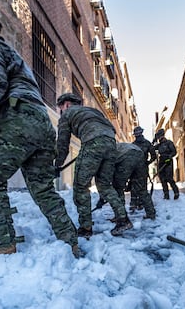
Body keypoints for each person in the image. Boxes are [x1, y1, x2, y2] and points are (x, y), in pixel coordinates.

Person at [0, 22, 79, 257]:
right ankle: (70, 240)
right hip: (42, 123)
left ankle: (3, 243)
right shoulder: (11, 53)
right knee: (43, 189)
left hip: (17, 118)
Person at [55, 93, 133, 238]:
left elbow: (62, 144)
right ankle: (123, 220)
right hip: (111, 144)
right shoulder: (93, 112)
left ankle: (85, 228)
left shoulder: (67, 114)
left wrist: (57, 165)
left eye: (61, 108)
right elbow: (111, 130)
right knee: (104, 185)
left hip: (92, 142)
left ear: (66, 105)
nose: (62, 111)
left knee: (80, 186)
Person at [96, 142, 156, 220]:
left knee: (118, 188)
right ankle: (151, 213)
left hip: (127, 156)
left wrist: (101, 199)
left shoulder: (104, 157)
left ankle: (120, 216)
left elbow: (106, 180)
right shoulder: (111, 148)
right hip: (139, 154)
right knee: (141, 189)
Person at [130, 126, 157, 212]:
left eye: (138, 133)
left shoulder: (147, 143)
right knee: (133, 185)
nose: (137, 135)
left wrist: (147, 163)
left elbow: (154, 156)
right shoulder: (133, 145)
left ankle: (141, 203)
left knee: (142, 187)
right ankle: (133, 203)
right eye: (136, 134)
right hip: (134, 169)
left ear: (141, 133)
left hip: (143, 169)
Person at [153, 128, 179, 200]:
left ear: (163, 136)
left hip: (168, 161)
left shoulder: (169, 143)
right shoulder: (159, 145)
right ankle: (166, 194)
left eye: (159, 136)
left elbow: (174, 152)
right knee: (162, 179)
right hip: (161, 161)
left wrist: (169, 157)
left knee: (169, 178)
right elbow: (152, 148)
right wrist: (154, 140)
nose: (159, 138)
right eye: (158, 137)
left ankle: (176, 192)